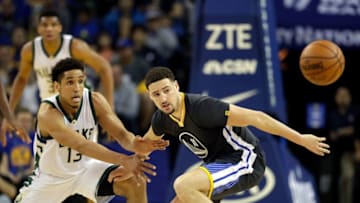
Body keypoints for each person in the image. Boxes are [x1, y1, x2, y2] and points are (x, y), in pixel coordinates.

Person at [139, 67, 330, 203]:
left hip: (244, 160)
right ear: (149, 96)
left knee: (183, 184)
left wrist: (301, 139)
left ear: (177, 86)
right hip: (216, 164)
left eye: (166, 90)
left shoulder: (201, 107)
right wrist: (129, 162)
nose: (163, 98)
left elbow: (258, 118)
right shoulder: (161, 119)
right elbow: (144, 144)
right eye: (156, 94)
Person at [14, 58, 169, 203]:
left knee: (136, 181)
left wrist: (136, 144)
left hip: (85, 170)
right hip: (51, 178)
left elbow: (121, 134)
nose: (77, 88)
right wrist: (124, 160)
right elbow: (81, 145)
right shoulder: (48, 113)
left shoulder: (95, 101)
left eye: (80, 81)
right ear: (57, 86)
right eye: (70, 83)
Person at [1, 8, 114, 146]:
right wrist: (9, 115)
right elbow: (21, 79)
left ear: (60, 28)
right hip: (50, 109)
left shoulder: (75, 46)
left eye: (53, 25)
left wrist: (110, 110)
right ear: (38, 28)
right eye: (44, 25)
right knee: (48, 161)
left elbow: (105, 68)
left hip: (77, 108)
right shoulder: (30, 50)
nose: (49, 29)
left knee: (84, 158)